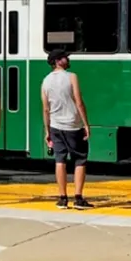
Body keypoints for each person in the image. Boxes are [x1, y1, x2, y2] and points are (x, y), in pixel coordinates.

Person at [41, 49, 92, 209]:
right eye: (64, 57)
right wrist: (86, 124)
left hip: (56, 126)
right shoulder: (71, 77)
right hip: (73, 125)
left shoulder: (45, 81)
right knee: (80, 159)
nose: (67, 59)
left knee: (60, 160)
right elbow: (78, 101)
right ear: (57, 61)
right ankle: (78, 198)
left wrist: (47, 131)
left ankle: (62, 198)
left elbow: (45, 109)